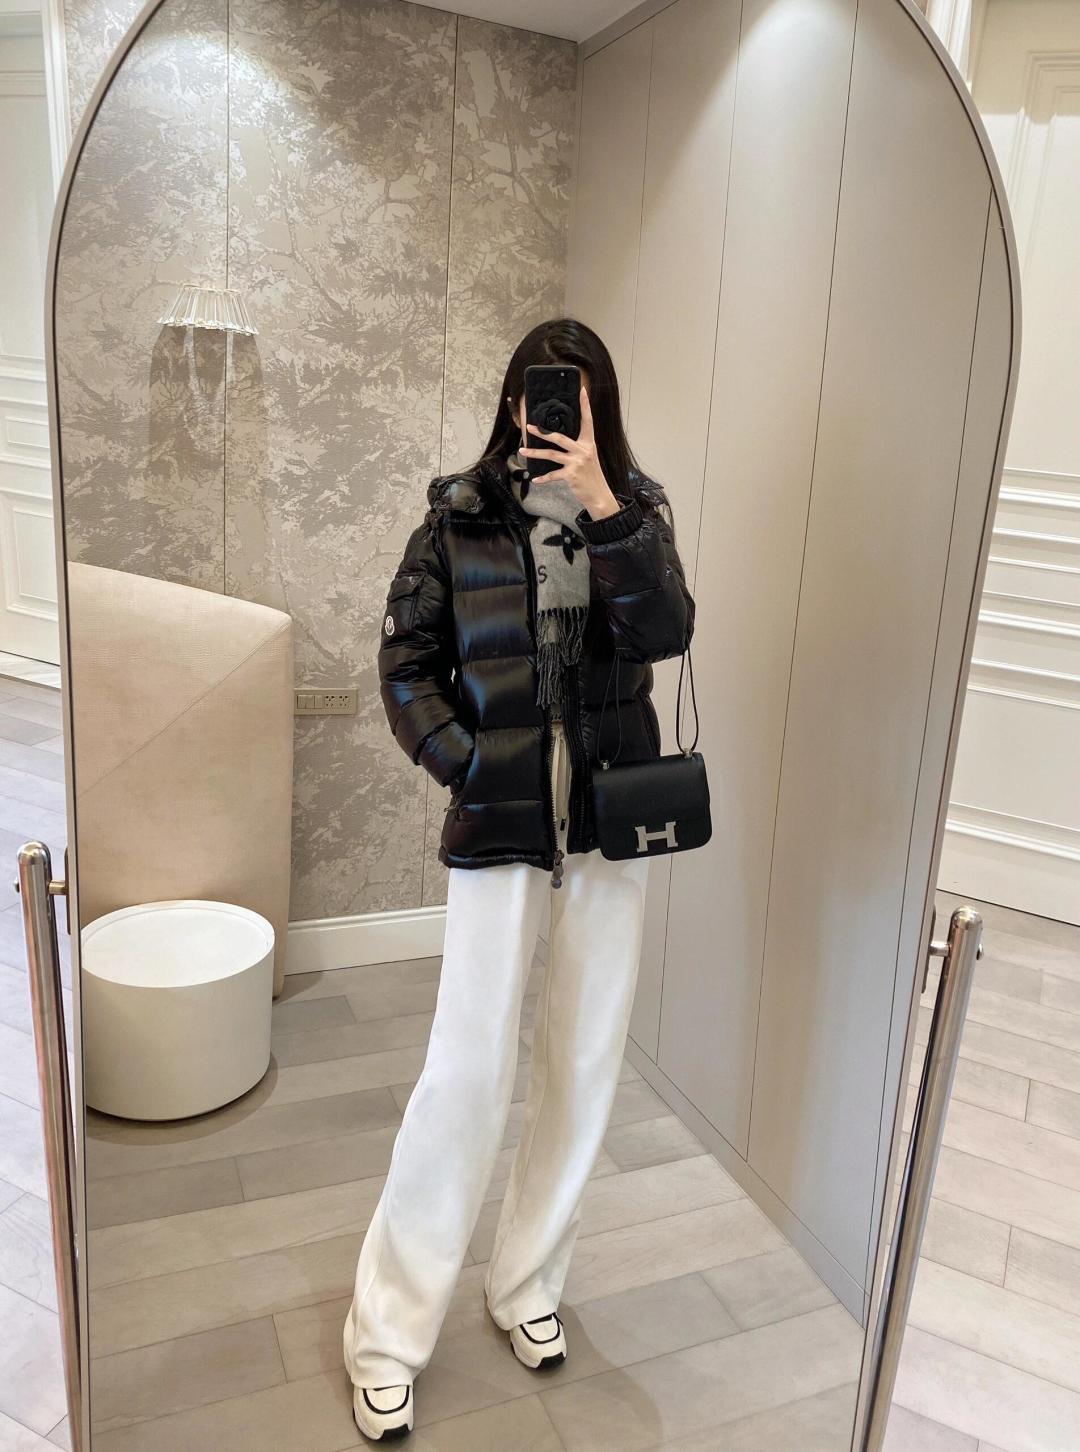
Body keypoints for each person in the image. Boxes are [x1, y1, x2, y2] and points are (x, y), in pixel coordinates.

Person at [343, 317, 696, 1441]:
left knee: (583, 1060)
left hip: (608, 819)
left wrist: (603, 502)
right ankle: (388, 1332)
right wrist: (466, 761)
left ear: (601, 411)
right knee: (466, 1068)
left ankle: (529, 1284)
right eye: (543, 397)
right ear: (510, 403)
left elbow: (667, 634)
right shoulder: (456, 515)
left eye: (579, 400)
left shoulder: (635, 510)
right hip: (501, 818)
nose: (554, 416)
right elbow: (405, 664)